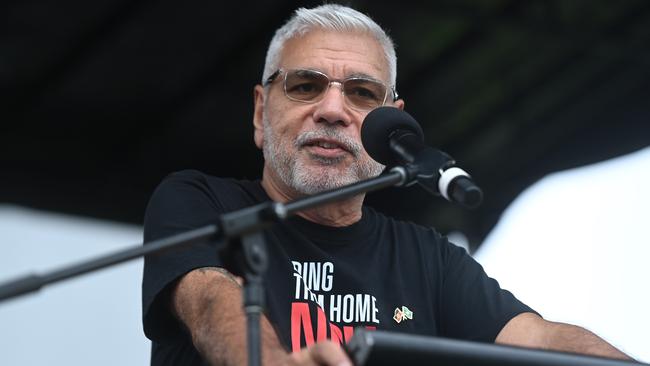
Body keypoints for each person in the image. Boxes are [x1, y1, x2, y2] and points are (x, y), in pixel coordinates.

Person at [142, 4, 632, 366]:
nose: (333, 110)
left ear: (390, 123)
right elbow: (209, 299)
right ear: (259, 111)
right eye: (306, 86)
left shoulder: (427, 257)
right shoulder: (198, 200)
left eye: (361, 93)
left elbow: (541, 340)